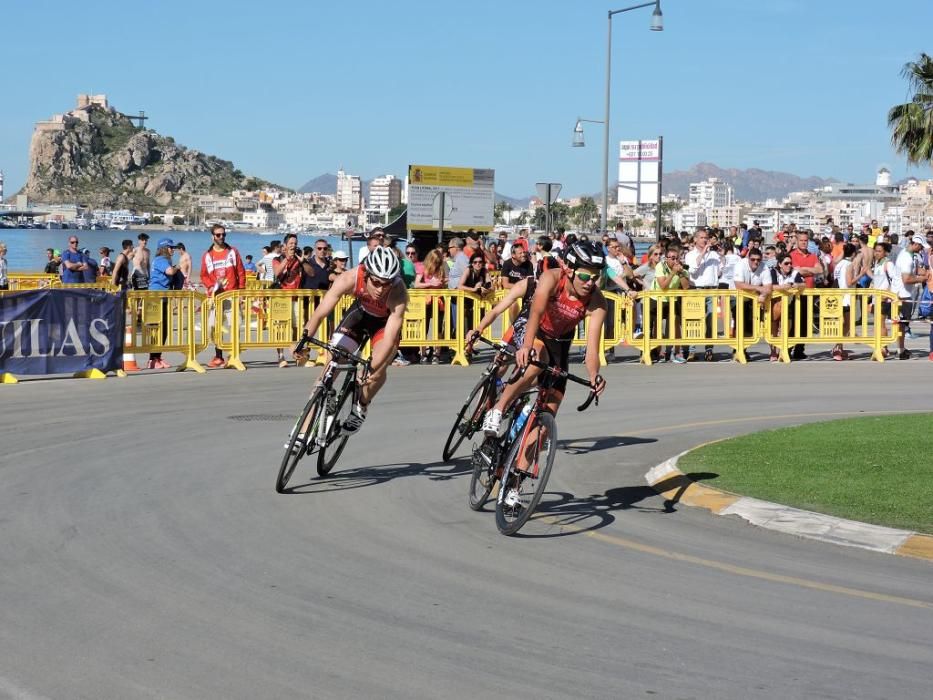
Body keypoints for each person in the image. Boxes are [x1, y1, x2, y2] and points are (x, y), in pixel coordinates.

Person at [481, 241, 608, 438]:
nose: (590, 282)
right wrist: (526, 345)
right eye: (585, 276)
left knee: (544, 428)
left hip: (559, 342)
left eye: (595, 277)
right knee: (536, 359)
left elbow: (592, 350)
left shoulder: (597, 301)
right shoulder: (547, 279)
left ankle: (517, 466)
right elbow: (535, 313)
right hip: (535, 329)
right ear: (569, 269)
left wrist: (594, 375)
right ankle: (497, 408)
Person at [294, 247, 408, 436]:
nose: (381, 289)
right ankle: (304, 429)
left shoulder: (398, 291)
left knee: (376, 371)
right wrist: (303, 341)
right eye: (377, 282)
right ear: (367, 274)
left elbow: (389, 339)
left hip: (384, 325)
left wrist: (372, 368)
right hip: (360, 315)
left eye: (386, 284)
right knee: (333, 360)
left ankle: (361, 406)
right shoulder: (350, 278)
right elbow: (321, 312)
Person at [200, 224, 247, 368]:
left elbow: (241, 272)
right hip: (216, 297)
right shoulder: (207, 255)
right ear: (212, 236)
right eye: (218, 235)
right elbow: (204, 275)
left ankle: (234, 355)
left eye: (223, 234)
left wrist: (241, 293)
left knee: (236, 325)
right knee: (212, 327)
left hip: (232, 295)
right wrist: (211, 286)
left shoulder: (232, 252)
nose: (221, 237)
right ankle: (218, 355)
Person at [684, 227, 721, 361]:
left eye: (706, 238)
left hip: (711, 289)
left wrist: (722, 255)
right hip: (696, 289)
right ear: (695, 239)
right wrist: (704, 252)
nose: (705, 240)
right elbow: (692, 271)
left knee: (711, 321)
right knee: (694, 320)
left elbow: (720, 271)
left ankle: (709, 350)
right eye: (702, 237)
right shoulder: (690, 255)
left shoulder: (714, 254)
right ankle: (692, 351)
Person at [787, 230, 823, 360]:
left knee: (805, 323)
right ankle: (788, 348)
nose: (803, 243)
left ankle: (799, 350)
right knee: (795, 323)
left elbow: (819, 270)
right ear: (796, 241)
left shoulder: (813, 255)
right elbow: (794, 271)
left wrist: (804, 270)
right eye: (801, 240)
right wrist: (809, 271)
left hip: (809, 293)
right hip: (795, 294)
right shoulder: (791, 255)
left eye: (805, 240)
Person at [147, 238, 182, 369]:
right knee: (156, 328)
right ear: (164, 248)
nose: (172, 249)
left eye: (173, 247)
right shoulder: (161, 260)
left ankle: (157, 357)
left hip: (164, 296)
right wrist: (178, 267)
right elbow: (170, 272)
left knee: (164, 328)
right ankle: (152, 359)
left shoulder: (165, 260)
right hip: (156, 297)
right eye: (170, 247)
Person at [732, 247, 772, 360]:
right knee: (740, 321)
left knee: (752, 324)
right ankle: (738, 349)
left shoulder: (764, 267)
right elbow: (739, 285)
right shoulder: (740, 265)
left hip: (754, 298)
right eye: (753, 259)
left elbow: (768, 287)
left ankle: (743, 348)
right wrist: (759, 289)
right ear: (748, 258)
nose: (756, 262)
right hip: (736, 296)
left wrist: (763, 295)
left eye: (758, 259)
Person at [652, 244, 689, 363]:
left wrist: (680, 273)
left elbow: (686, 287)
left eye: (676, 258)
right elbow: (663, 286)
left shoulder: (682, 268)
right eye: (672, 258)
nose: (674, 260)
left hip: (673, 299)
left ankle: (677, 352)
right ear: (666, 258)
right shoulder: (660, 266)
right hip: (657, 298)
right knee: (658, 326)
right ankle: (658, 351)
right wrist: (673, 272)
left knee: (676, 324)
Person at [274, 234, 303, 368]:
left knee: (297, 327)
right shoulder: (277, 259)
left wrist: (302, 261)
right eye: (291, 243)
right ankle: (281, 356)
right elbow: (277, 273)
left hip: (296, 297)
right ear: (285, 246)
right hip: (281, 298)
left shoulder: (299, 258)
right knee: (280, 328)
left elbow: (310, 273)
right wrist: (287, 259)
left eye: (295, 243)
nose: (293, 245)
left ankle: (297, 354)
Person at [414, 248, 447, 363]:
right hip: (425, 300)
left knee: (438, 327)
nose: (436, 264)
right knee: (424, 327)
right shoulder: (422, 268)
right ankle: (423, 353)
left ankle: (436, 353)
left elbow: (445, 282)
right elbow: (416, 284)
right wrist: (430, 283)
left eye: (438, 262)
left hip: (439, 300)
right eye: (435, 261)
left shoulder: (441, 268)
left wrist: (443, 282)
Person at [770, 253, 805, 361]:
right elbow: (771, 286)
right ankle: (773, 351)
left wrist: (797, 285)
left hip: (788, 305)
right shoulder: (773, 272)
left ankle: (783, 350)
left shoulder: (794, 273)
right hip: (773, 303)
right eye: (786, 263)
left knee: (787, 327)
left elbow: (803, 284)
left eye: (790, 263)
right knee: (773, 328)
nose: (789, 265)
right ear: (780, 264)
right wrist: (782, 287)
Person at [831, 243, 858, 361]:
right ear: (853, 254)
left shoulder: (839, 264)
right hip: (846, 298)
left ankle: (839, 347)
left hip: (838, 296)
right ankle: (837, 347)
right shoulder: (849, 264)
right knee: (847, 324)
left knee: (843, 324)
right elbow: (849, 282)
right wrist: (861, 274)